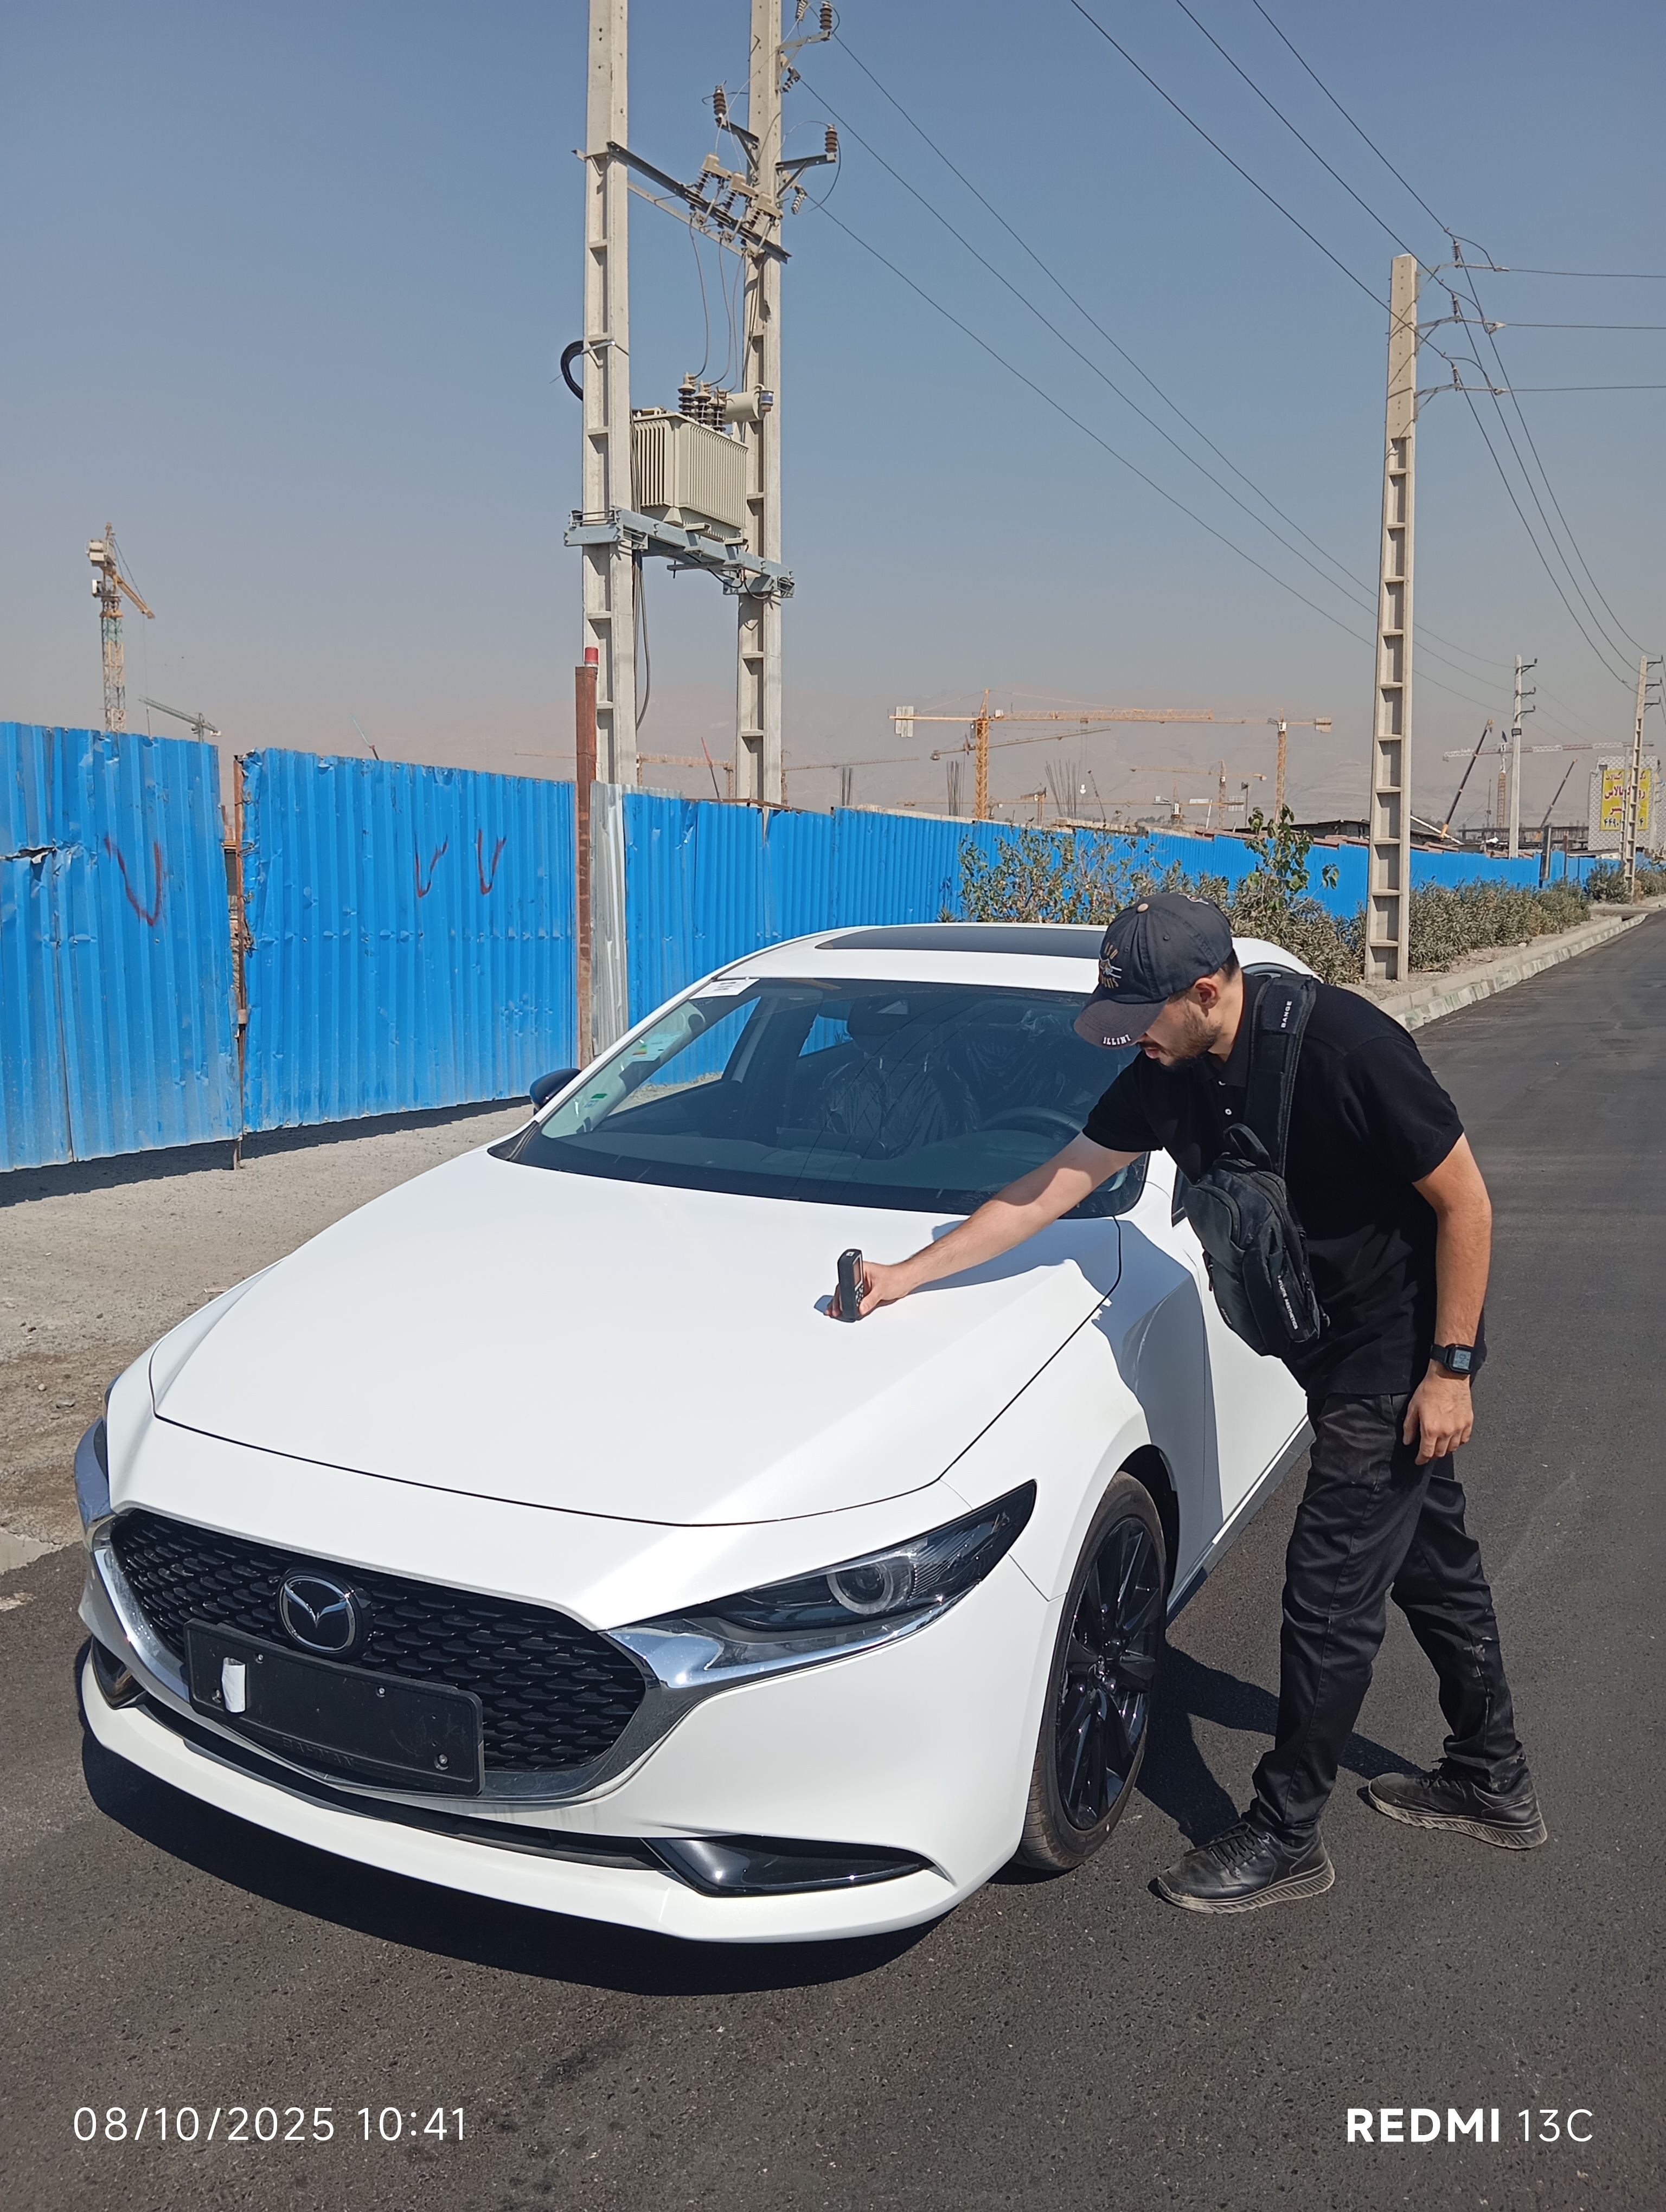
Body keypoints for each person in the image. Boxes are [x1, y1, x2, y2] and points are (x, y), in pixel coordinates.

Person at [831, 892, 1545, 1914]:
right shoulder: (1169, 1073)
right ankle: (1492, 1776)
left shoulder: (1347, 1049)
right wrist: (909, 1274)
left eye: (1142, 1018)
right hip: (1321, 1340)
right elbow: (1054, 1185)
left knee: (1329, 1591)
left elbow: (1465, 1201)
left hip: (1395, 1348)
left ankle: (1288, 1834)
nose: (1130, 1040)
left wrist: (1451, 1370)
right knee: (1431, 1561)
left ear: (1207, 993)